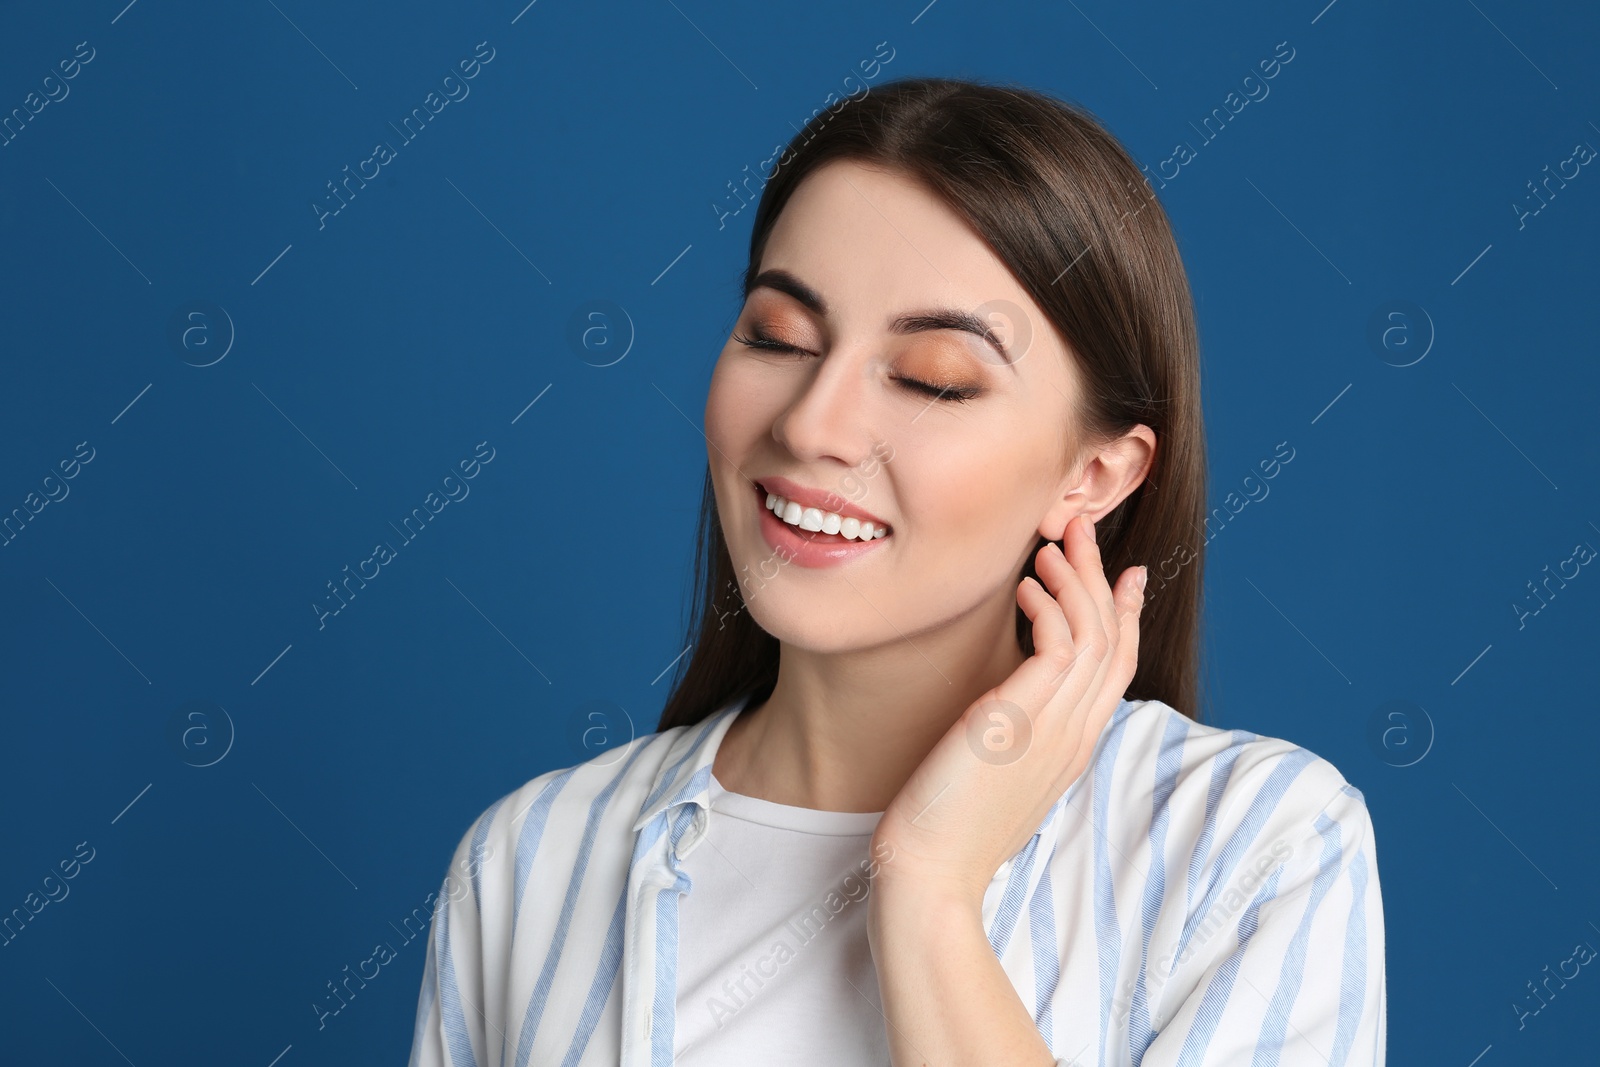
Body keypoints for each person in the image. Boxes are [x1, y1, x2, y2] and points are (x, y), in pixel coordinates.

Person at [407, 75, 1386, 1066]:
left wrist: (928, 887)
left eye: (932, 380)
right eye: (776, 337)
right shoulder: (528, 863)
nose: (810, 423)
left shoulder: (1252, 848)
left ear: (1093, 476)